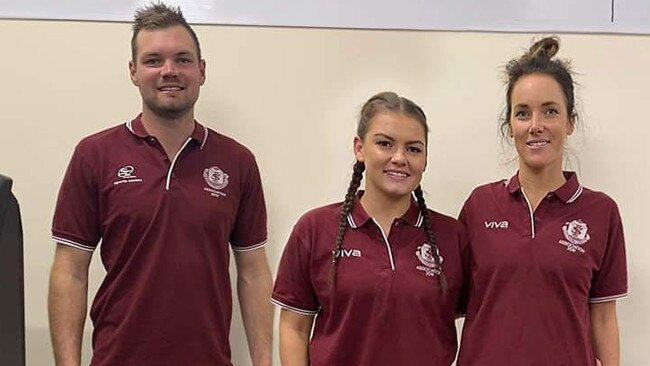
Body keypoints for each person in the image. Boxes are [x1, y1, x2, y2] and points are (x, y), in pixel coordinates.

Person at [47, 3, 273, 366]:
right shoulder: (95, 155)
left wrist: (264, 362)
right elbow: (70, 271)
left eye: (182, 59)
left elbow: (254, 272)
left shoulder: (238, 161)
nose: (169, 71)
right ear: (134, 72)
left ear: (201, 70)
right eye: (154, 60)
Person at [457, 36, 628, 366]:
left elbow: (604, 319)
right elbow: (449, 304)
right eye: (523, 113)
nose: (535, 126)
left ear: (570, 122)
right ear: (510, 126)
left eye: (550, 111)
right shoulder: (479, 205)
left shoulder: (601, 212)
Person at [272, 91, 468, 365]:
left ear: (425, 158)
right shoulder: (315, 229)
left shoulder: (453, 235)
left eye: (413, 148)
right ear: (359, 148)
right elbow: (294, 327)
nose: (400, 158)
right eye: (385, 144)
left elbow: (471, 321)